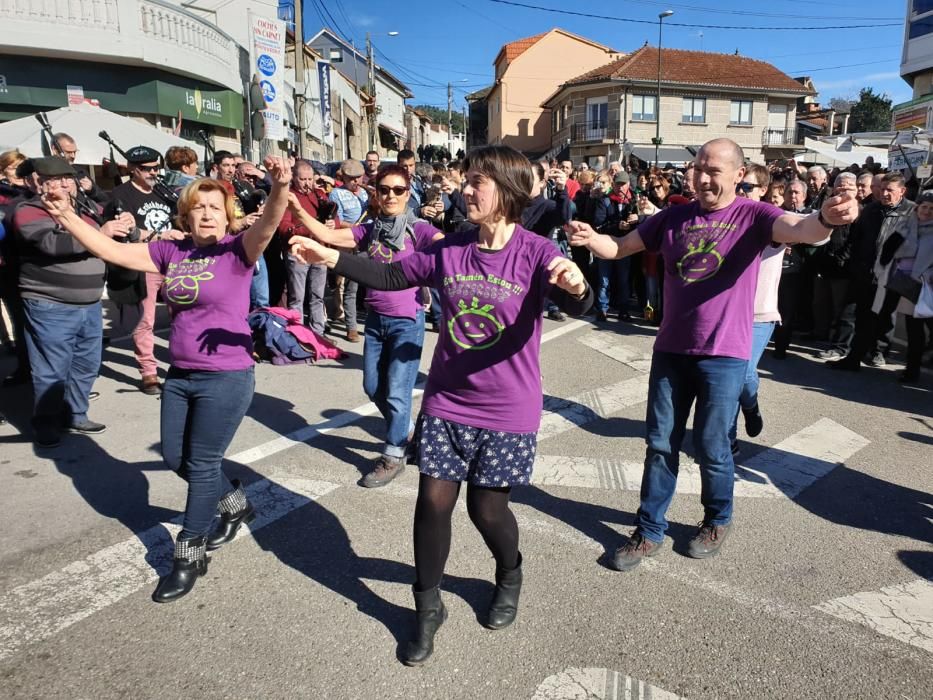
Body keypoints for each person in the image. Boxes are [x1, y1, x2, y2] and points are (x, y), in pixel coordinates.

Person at [288, 144, 593, 666]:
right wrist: (331, 256)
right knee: (432, 503)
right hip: (448, 400)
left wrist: (578, 282)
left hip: (507, 407)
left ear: (509, 191)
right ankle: (426, 607)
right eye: (465, 179)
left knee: (486, 509)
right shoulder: (451, 249)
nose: (464, 189)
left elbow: (578, 301)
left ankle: (509, 571)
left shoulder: (537, 251)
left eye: (477, 181)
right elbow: (391, 275)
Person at [568, 138, 858, 571]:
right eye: (698, 168)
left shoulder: (753, 215)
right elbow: (621, 247)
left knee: (711, 444)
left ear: (739, 175)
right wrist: (593, 239)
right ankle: (649, 529)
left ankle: (717, 518)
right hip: (671, 349)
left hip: (725, 352)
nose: (702, 177)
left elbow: (801, 230)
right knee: (660, 442)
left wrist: (826, 219)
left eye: (714, 170)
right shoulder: (672, 217)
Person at [42, 156, 292, 603]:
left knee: (199, 466)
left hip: (227, 376)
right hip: (179, 375)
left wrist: (279, 187)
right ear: (186, 214)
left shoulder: (238, 251)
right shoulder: (170, 251)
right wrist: (64, 214)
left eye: (217, 206)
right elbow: (112, 251)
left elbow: (270, 224)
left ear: (229, 214)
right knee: (180, 458)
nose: (208, 213)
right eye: (200, 207)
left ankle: (188, 554)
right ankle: (236, 505)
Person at [288, 164, 444, 486]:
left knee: (399, 394)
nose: (390, 195)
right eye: (384, 189)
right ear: (376, 192)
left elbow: (449, 249)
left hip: (407, 321)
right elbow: (329, 236)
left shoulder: (419, 229)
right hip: (375, 320)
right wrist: (297, 212)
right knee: (374, 388)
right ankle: (408, 434)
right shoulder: (370, 228)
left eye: (398, 190)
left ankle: (393, 454)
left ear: (408, 191)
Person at [12, 157, 124, 447]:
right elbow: (52, 244)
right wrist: (99, 235)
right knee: (51, 368)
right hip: (49, 303)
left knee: (87, 363)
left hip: (89, 303)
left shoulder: (84, 208)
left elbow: (109, 210)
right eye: (56, 179)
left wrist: (124, 223)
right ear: (39, 183)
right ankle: (46, 422)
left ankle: (75, 413)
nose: (64, 184)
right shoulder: (28, 210)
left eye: (69, 178)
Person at [103, 145, 176, 394]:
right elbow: (126, 231)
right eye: (148, 169)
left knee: (182, 314)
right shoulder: (120, 195)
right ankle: (149, 372)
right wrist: (160, 236)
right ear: (134, 170)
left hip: (173, 261)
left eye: (157, 167)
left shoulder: (164, 192)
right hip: (144, 262)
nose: (154, 172)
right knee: (145, 320)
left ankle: (181, 363)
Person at [729, 164, 783, 454]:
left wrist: (825, 220)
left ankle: (750, 405)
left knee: (744, 373)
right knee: (727, 379)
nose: (741, 192)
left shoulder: (770, 220)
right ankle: (728, 439)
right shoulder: (729, 217)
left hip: (759, 315)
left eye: (747, 187)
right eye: (738, 186)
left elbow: (801, 228)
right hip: (727, 313)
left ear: (763, 190)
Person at [277, 161, 338, 334]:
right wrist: (310, 227)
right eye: (302, 179)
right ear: (294, 178)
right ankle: (298, 334)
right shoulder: (288, 196)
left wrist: (334, 223)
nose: (307, 183)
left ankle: (317, 333)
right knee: (297, 297)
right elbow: (283, 226)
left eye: (310, 179)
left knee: (318, 296)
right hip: (299, 252)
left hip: (319, 250)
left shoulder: (319, 195)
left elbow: (334, 214)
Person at [878, 190, 933, 384]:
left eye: (932, 208)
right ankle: (909, 370)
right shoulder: (907, 226)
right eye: (924, 207)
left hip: (924, 286)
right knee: (906, 327)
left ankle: (914, 369)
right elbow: (889, 249)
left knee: (920, 329)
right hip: (902, 282)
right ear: (917, 208)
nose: (927, 211)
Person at [329, 159, 369, 342]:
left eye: (358, 178)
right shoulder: (337, 194)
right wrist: (354, 227)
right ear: (343, 177)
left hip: (369, 244)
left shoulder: (367, 193)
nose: (356, 182)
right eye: (351, 178)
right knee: (350, 288)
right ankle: (351, 327)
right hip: (349, 243)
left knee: (373, 286)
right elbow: (337, 221)